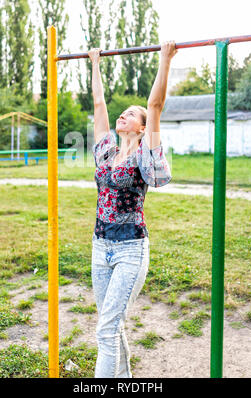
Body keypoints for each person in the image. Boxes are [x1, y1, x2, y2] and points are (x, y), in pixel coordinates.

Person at [88, 41, 177, 378]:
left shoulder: (144, 155)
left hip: (130, 249)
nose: (122, 115)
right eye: (122, 112)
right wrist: (95, 63)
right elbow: (98, 103)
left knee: (105, 330)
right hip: (100, 247)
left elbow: (155, 105)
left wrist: (164, 60)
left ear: (141, 128)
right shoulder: (106, 152)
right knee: (111, 325)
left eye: (130, 114)